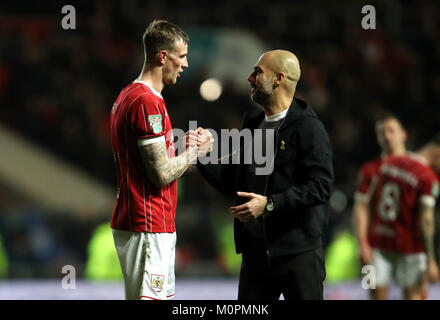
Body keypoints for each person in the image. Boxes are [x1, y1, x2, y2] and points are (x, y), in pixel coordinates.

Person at [197, 50, 334, 300]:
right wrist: (200, 154)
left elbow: (321, 187)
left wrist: (269, 205)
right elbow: (232, 181)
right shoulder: (253, 123)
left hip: (298, 254)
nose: (250, 78)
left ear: (279, 78)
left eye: (257, 72)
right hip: (256, 256)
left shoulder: (308, 128)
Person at [109, 20, 213, 300]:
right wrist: (195, 152)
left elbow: (162, 167)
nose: (186, 64)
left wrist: (210, 160)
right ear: (163, 56)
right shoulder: (146, 102)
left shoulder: (131, 96)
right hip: (147, 224)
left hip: (152, 224)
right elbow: (161, 174)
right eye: (182, 56)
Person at [363, 133, 440, 300]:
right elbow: (426, 219)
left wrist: (363, 241)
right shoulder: (428, 177)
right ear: (437, 152)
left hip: (379, 240)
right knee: (415, 295)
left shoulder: (387, 163)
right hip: (411, 246)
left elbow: (366, 201)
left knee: (374, 292)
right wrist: (432, 259)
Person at [353, 113, 408, 299]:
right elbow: (360, 207)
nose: (387, 136)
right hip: (376, 245)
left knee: (415, 293)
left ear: (403, 134)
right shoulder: (370, 170)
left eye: (391, 131)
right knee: (375, 293)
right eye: (382, 133)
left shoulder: (418, 167)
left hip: (409, 244)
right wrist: (362, 243)